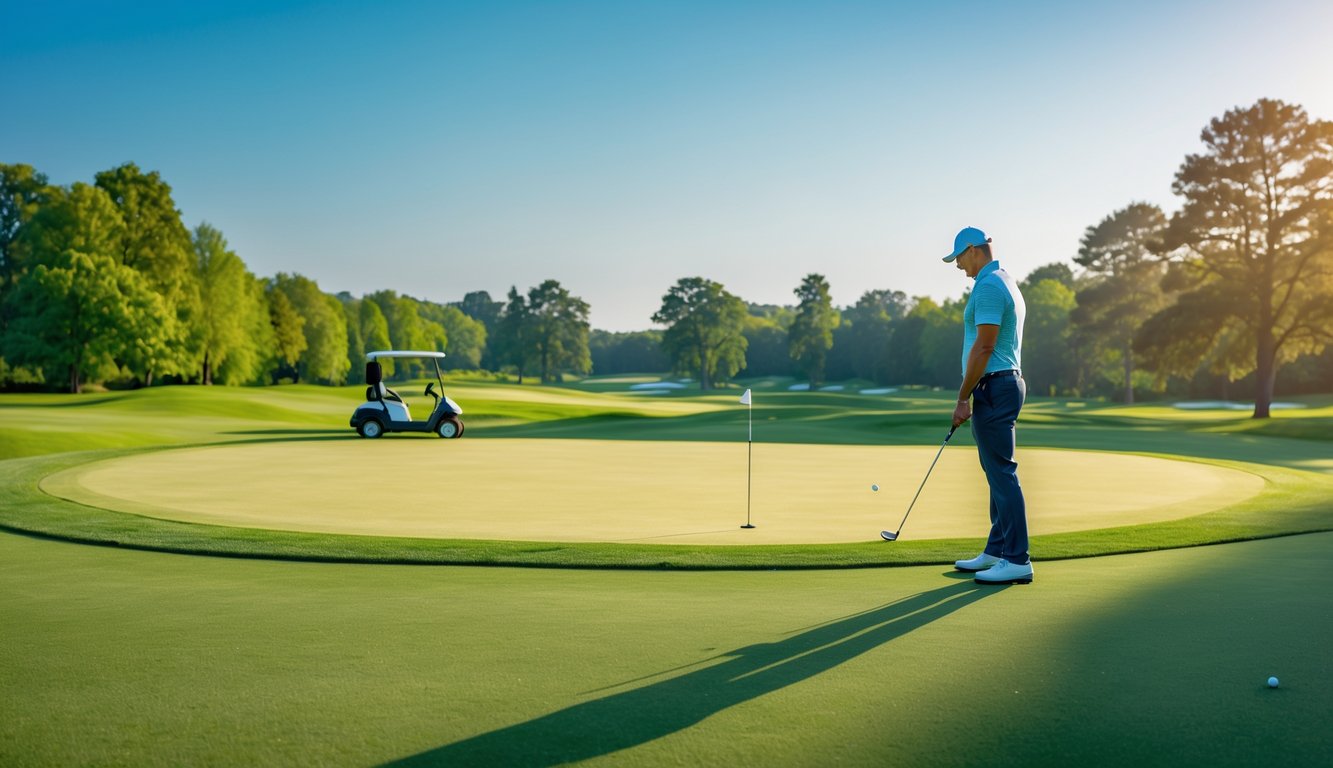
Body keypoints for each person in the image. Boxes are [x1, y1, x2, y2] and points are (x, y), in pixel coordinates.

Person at [943, 227, 1033, 585]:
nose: (958, 266)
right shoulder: (1003, 279)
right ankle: (997, 549)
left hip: (995, 386)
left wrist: (963, 397)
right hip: (1001, 385)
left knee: (1002, 473)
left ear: (973, 250)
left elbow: (984, 347)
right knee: (996, 472)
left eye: (959, 258)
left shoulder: (988, 286)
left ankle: (1017, 558)